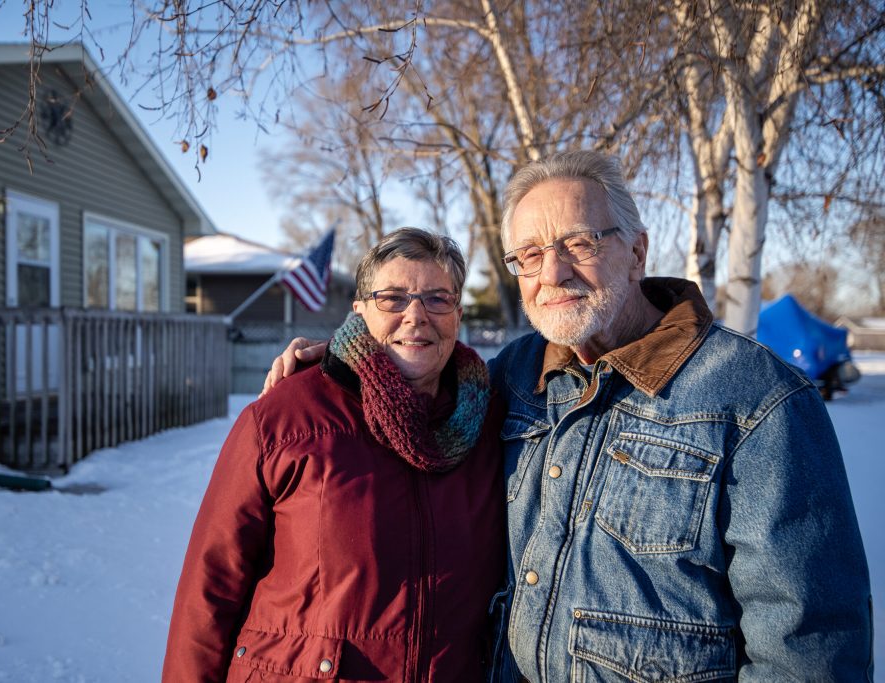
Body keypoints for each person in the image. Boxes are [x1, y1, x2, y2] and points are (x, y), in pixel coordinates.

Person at [263, 151, 874, 681]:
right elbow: (419, 389)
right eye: (528, 255)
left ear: (636, 253)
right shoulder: (508, 378)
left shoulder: (759, 399)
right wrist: (345, 363)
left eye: (579, 244)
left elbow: (809, 645)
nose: (551, 273)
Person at [163, 228, 506, 682]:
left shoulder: (495, 423)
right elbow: (210, 588)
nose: (416, 315)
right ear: (360, 310)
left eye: (437, 298)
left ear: (458, 314)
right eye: (393, 298)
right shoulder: (285, 418)